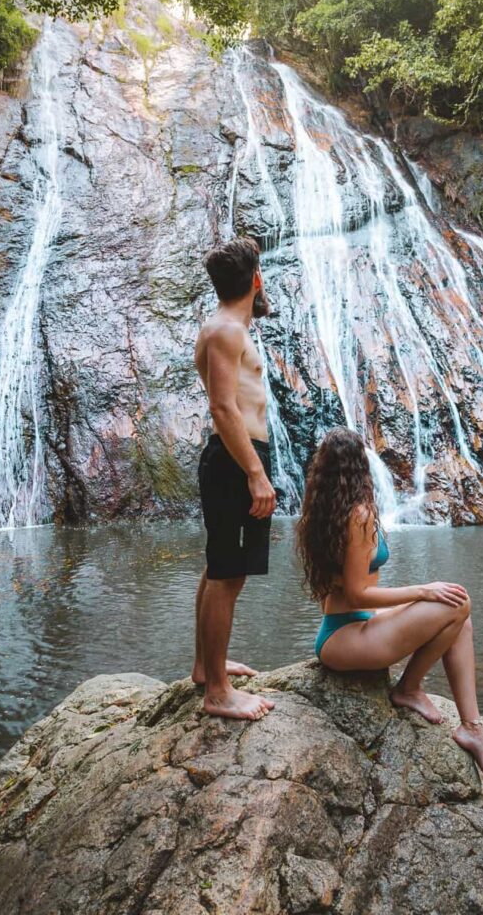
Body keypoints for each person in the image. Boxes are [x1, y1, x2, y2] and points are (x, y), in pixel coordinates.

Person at [296, 427, 483, 779]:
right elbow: (359, 592)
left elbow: (351, 593)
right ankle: (408, 688)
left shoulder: (323, 510)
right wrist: (422, 591)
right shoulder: (357, 514)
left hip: (346, 628)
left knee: (459, 618)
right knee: (457, 602)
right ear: (361, 465)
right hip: (347, 637)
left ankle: (471, 727)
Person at [192, 235, 277, 720]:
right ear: (256, 280)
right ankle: (218, 692)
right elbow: (223, 406)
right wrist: (255, 473)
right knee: (228, 575)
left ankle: (206, 668)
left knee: (218, 567)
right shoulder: (226, 330)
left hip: (232, 457)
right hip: (235, 458)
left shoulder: (223, 327)